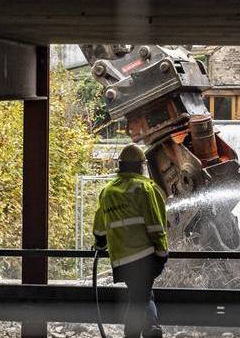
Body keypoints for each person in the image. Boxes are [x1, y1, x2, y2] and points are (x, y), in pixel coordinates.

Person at [93, 144, 169, 338]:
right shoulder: (143, 188)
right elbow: (156, 225)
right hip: (144, 258)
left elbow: (100, 228)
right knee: (139, 299)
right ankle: (143, 332)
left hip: (121, 261)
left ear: (121, 165)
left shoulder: (108, 191)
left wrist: (100, 245)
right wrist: (161, 254)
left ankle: (151, 328)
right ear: (140, 166)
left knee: (141, 295)